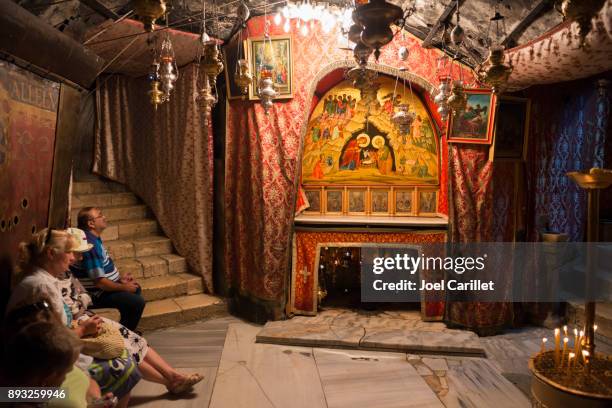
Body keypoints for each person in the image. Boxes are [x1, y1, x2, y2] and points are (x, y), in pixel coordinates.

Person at [70, 207, 145, 331]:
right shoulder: (91, 245)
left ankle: (126, 331)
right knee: (136, 302)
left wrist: (119, 279)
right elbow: (99, 282)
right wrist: (124, 287)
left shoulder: (93, 238)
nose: (104, 217)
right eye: (100, 215)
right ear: (91, 223)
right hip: (96, 293)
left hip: (102, 288)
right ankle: (124, 338)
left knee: (135, 290)